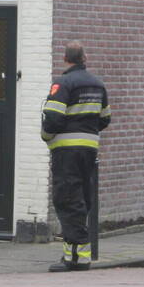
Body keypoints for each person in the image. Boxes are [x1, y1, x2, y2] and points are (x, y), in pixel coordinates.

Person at [41, 41, 110, 272]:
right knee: (82, 199)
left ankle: (76, 259)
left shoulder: (63, 83)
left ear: (65, 59)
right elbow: (105, 118)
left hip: (66, 151)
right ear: (85, 58)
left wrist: (47, 136)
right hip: (89, 149)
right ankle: (78, 256)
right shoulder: (98, 84)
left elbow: (52, 117)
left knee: (67, 199)